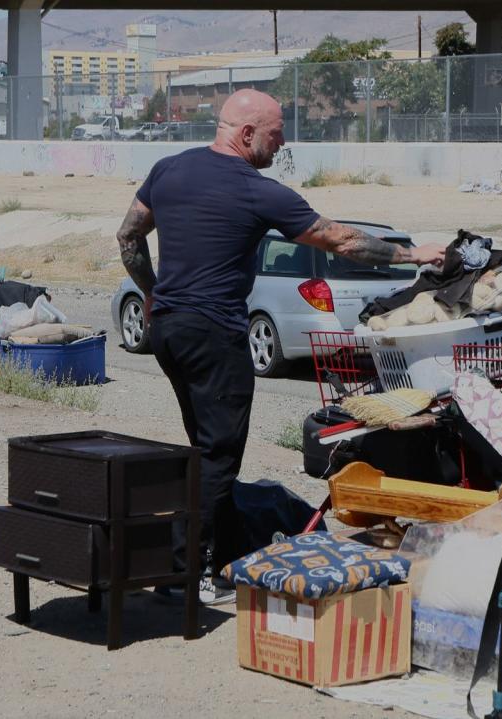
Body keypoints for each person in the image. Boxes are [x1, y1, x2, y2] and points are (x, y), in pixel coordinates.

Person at [116, 90, 445, 604]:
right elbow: (342, 241)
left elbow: (128, 237)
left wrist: (154, 293)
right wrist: (413, 253)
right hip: (214, 334)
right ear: (247, 135)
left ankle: (218, 558)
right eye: (276, 132)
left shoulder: (167, 170)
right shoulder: (257, 190)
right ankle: (188, 575)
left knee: (205, 449)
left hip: (171, 332)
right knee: (218, 455)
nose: (283, 141)